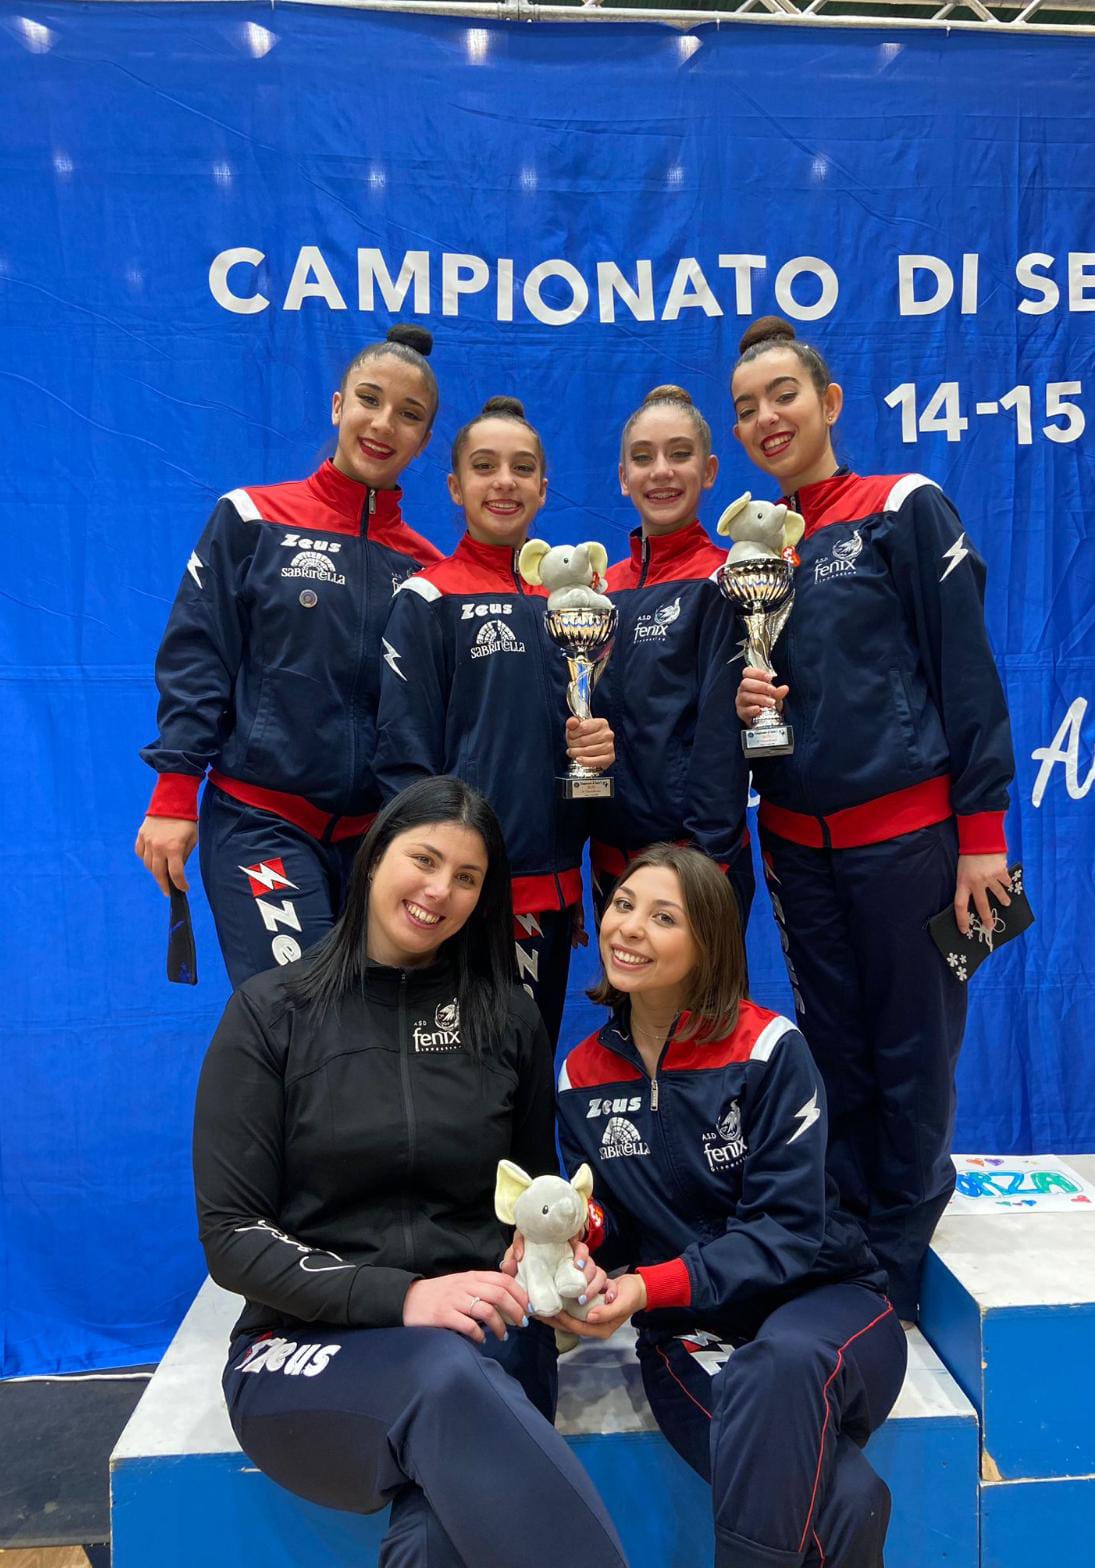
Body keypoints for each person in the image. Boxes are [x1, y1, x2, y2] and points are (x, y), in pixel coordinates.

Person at [193, 776, 628, 1568]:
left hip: (484, 1339)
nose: (439, 891)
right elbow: (232, 1235)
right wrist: (402, 1296)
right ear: (372, 858)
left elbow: (532, 1200)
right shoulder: (271, 1012)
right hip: (303, 1347)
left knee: (436, 1535)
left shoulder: (506, 1018)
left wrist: (553, 1263)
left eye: (466, 877)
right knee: (440, 1373)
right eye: (423, 860)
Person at [729, 315, 1015, 1321]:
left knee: (912, 1052)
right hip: (797, 852)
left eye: (784, 395)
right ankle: (843, 1231)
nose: (767, 417)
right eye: (747, 407)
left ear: (829, 401)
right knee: (835, 1051)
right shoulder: (749, 552)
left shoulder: (900, 507)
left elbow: (965, 674)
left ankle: (896, 1249)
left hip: (913, 844)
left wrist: (982, 840)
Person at [553, 844, 907, 1568]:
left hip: (826, 1299)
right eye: (622, 905)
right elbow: (614, 1226)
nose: (628, 928)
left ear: (708, 942)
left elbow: (785, 1230)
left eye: (663, 917)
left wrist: (647, 1286)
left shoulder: (769, 1048)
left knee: (780, 1362)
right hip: (689, 1331)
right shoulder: (580, 1075)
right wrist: (578, 1239)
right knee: (845, 1499)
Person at [135, 324, 444, 987]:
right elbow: (199, 655)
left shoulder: (428, 572)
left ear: (424, 440)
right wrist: (174, 791)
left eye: (409, 414)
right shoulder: (252, 517)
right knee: (301, 1019)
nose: (383, 423)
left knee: (369, 1031)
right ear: (338, 405)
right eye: (369, 399)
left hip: (378, 843)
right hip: (261, 823)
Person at [374, 396, 614, 1049]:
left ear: (543, 487)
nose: (504, 482)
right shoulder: (428, 598)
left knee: (526, 1078)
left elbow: (585, 739)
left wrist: (600, 748)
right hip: (460, 900)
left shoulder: (576, 607)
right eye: (484, 466)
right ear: (455, 487)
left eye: (521, 468)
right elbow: (403, 761)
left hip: (551, 895)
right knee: (456, 1080)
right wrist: (437, 883)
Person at [590, 385, 753, 926]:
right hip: (613, 866)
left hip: (697, 867)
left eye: (679, 454)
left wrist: (708, 864)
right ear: (623, 477)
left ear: (709, 471)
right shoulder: (596, 596)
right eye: (643, 458)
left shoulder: (724, 581)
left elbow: (721, 736)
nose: (661, 471)